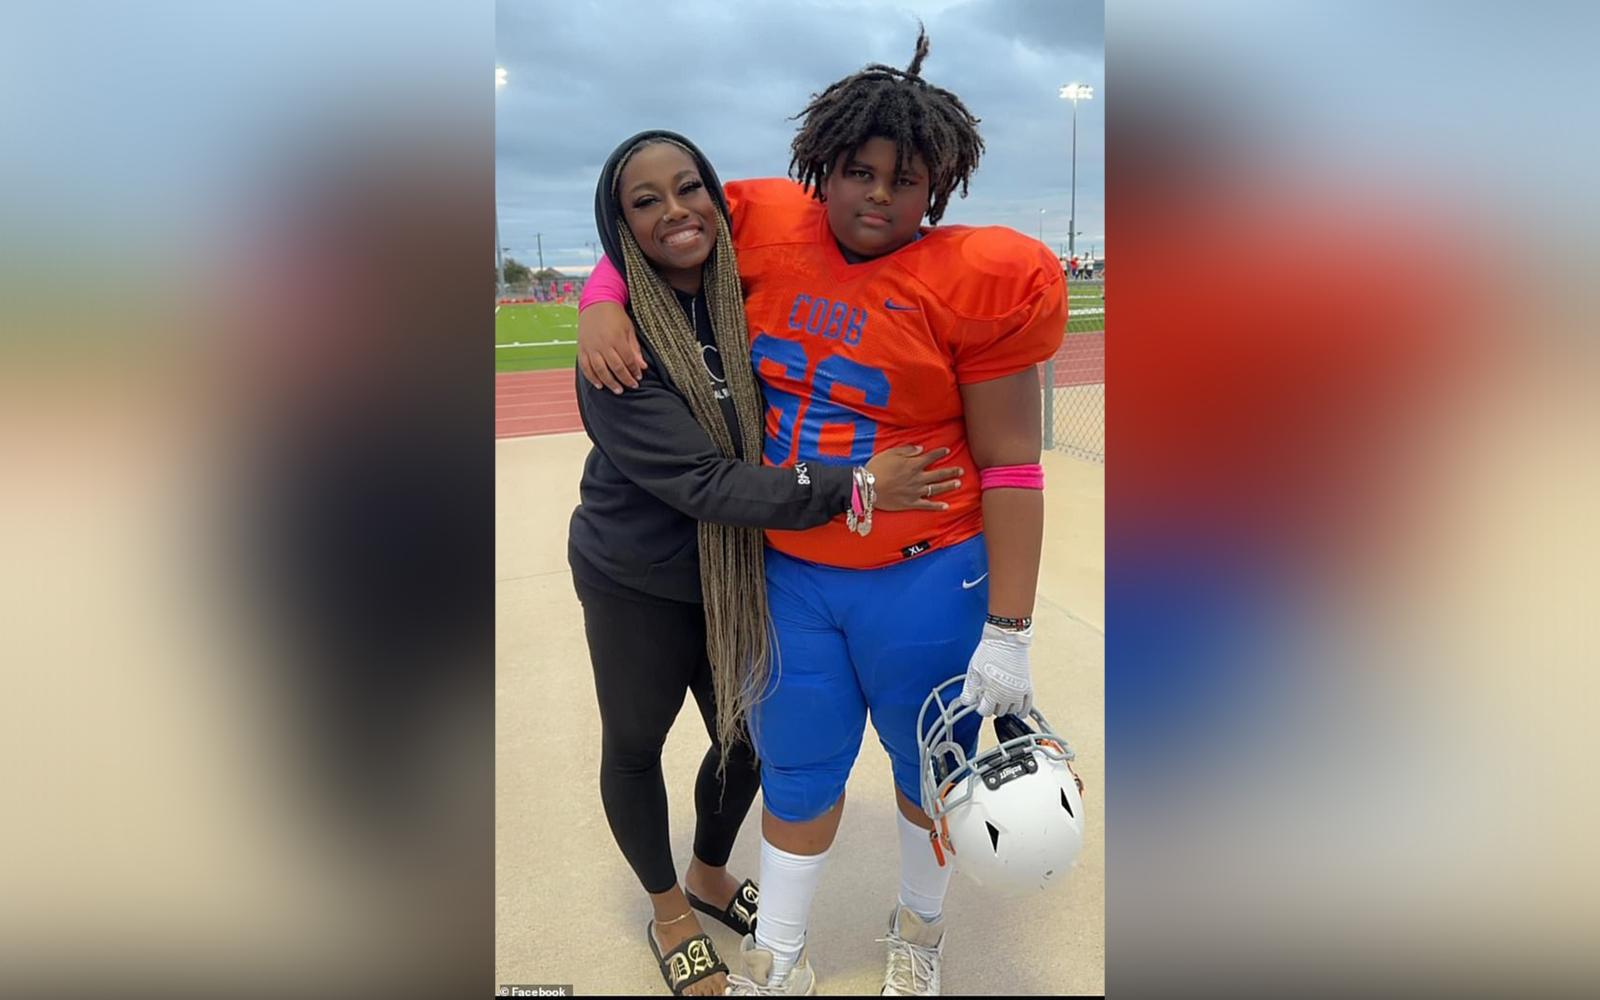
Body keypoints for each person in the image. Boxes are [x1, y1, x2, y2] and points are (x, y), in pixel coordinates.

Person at [578, 29, 1067, 996]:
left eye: (905, 179)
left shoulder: (981, 278)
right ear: (823, 170)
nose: (878, 196)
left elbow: (1013, 467)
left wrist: (1010, 630)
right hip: (792, 570)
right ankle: (781, 950)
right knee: (797, 770)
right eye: (859, 173)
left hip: (925, 570)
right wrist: (600, 297)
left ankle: (919, 928)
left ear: (939, 187)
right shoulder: (763, 221)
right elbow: (647, 227)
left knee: (931, 773)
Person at [569, 129, 964, 997]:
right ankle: (670, 912)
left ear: (714, 195)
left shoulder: (743, 289)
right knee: (635, 745)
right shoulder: (616, 349)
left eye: (689, 188)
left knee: (750, 742)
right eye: (645, 202)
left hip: (743, 569)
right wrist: (861, 484)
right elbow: (706, 482)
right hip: (638, 576)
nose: (675, 211)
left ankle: (709, 874)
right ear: (620, 225)